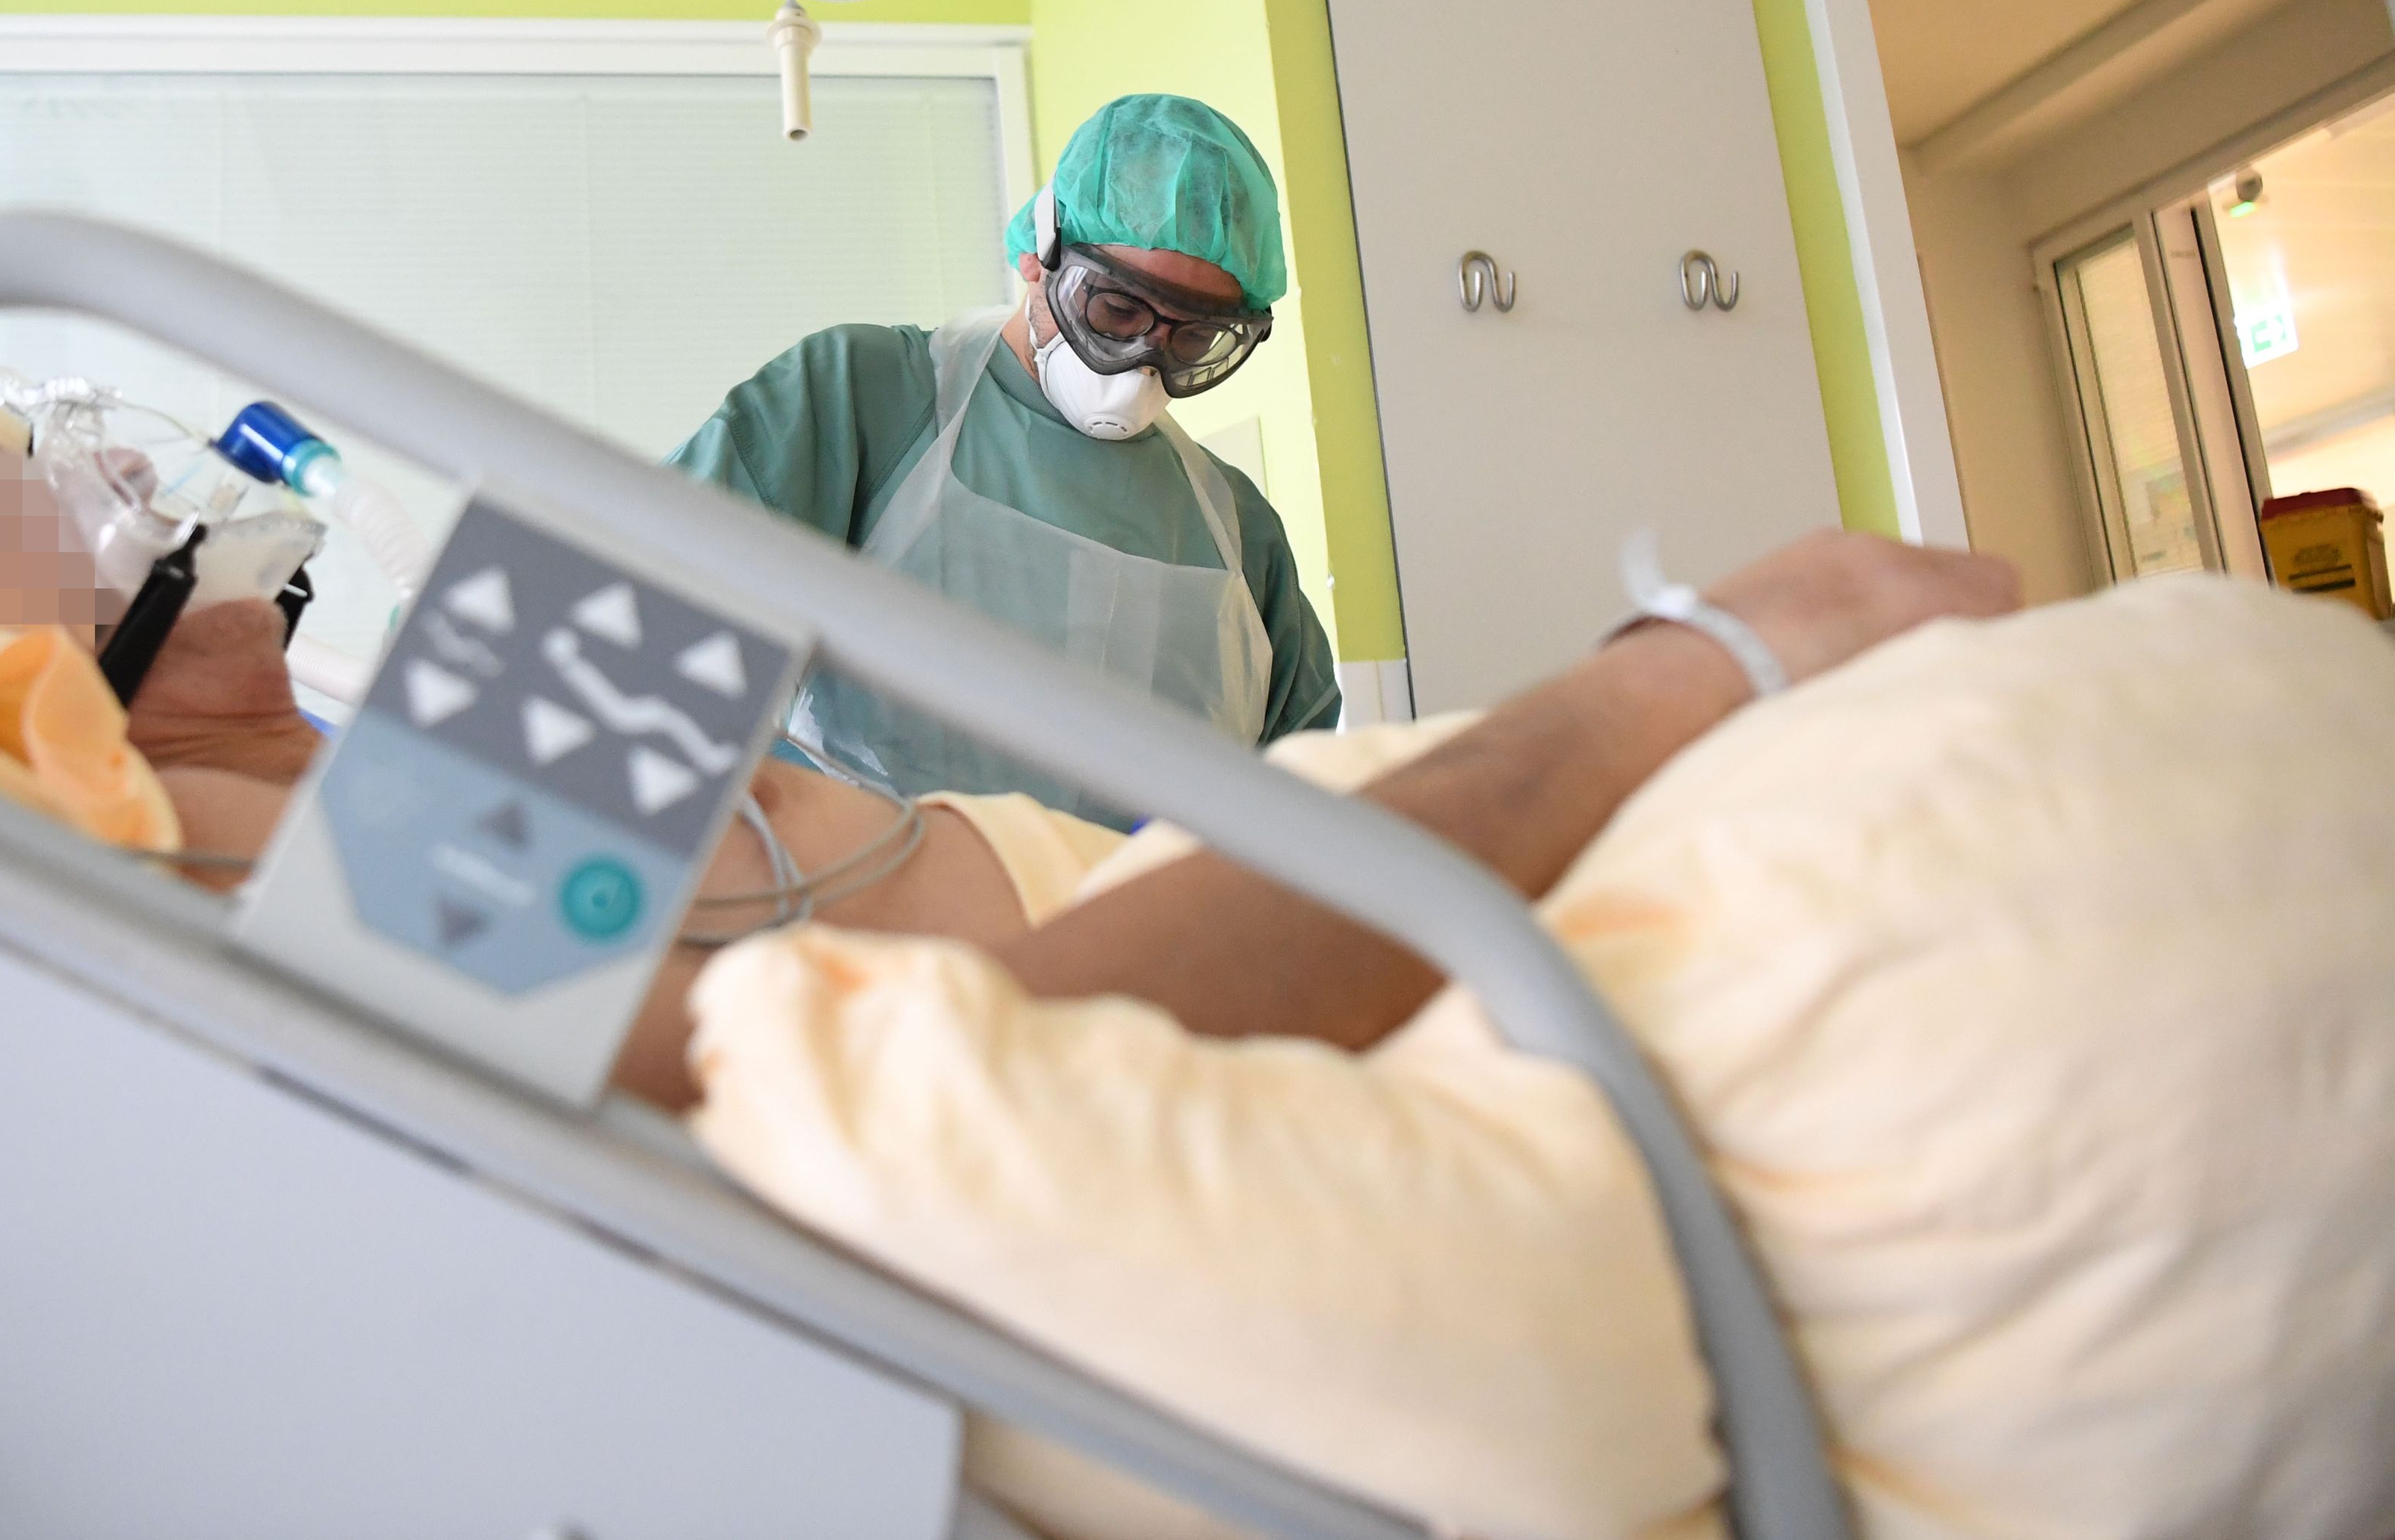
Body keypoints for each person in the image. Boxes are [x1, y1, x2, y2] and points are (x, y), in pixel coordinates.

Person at [123, 531, 2024, 1108]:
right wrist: (1660, 682)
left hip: (1205, 831)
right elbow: (1006, 1063)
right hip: (1255, 914)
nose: (107, 464)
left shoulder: (340, 745)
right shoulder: (188, 839)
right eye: (27, 458)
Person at [668, 93, 1336, 821]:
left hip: (1136, 930)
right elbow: (654, 622)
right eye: (1116, 310)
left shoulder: (1237, 528)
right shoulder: (862, 398)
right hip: (871, 910)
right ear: (1037, 256)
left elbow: (1299, 797)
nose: (1144, 357)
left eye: (1191, 339)